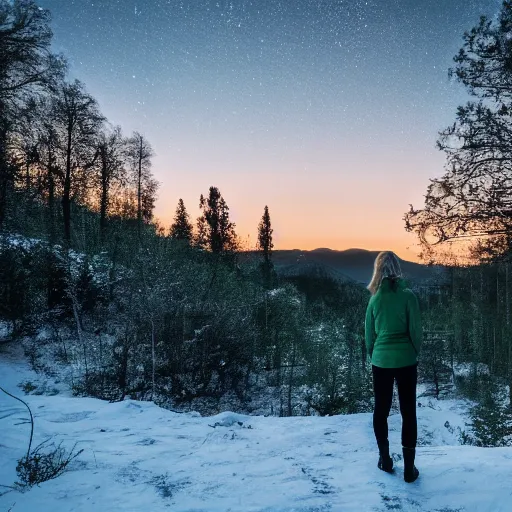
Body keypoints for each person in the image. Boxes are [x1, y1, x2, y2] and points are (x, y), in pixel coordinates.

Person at [364, 251, 422, 483]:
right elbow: (416, 331)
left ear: (378, 270)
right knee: (408, 412)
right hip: (406, 360)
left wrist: (375, 355)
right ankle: (409, 469)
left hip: (381, 361)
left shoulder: (374, 299)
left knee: (381, 410)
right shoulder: (409, 297)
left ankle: (385, 460)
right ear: (398, 269)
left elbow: (369, 335)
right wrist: (413, 351)